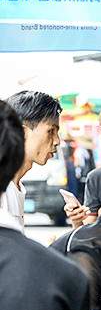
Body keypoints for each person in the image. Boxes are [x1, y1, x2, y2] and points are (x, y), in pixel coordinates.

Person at [0, 100, 92, 310]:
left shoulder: (18, 188)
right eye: (51, 130)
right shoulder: (68, 280)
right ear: (20, 131)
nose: (57, 141)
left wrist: (74, 229)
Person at [1, 91, 62, 232]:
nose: (57, 141)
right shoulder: (4, 190)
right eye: (51, 131)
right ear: (22, 133)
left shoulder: (16, 186)